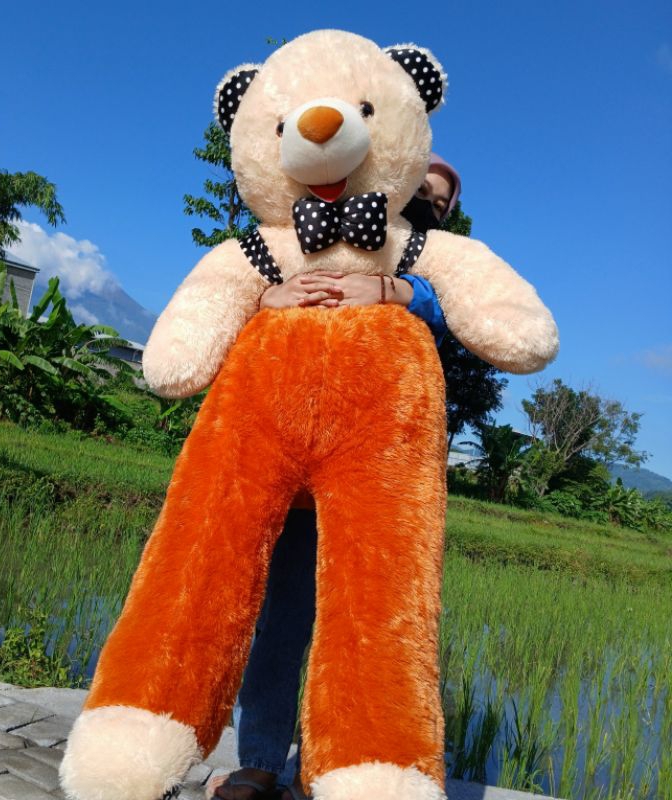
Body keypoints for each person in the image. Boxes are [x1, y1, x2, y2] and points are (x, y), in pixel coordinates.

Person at [209, 154, 462, 800]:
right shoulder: (308, 234)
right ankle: (259, 760)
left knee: (363, 627)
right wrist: (268, 296)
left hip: (378, 480)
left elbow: (452, 309)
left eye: (437, 201)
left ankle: (333, 768)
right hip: (290, 470)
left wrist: (397, 292)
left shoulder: (425, 260)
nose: (425, 202)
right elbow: (241, 288)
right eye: (420, 190)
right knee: (279, 620)